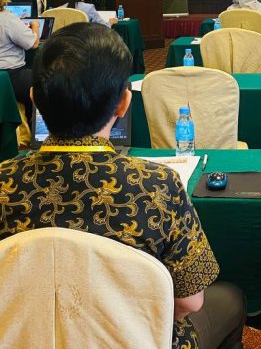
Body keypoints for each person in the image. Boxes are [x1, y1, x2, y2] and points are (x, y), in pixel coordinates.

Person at [0, 23, 245, 349]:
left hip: (24, 339)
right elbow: (190, 302)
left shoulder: (4, 182)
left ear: (34, 99)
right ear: (123, 103)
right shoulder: (157, 186)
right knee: (230, 297)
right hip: (136, 340)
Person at [0, 0, 39, 123]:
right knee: (44, 81)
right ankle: (33, 127)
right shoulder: (7, 19)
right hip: (10, 77)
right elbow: (33, 44)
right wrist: (35, 26)